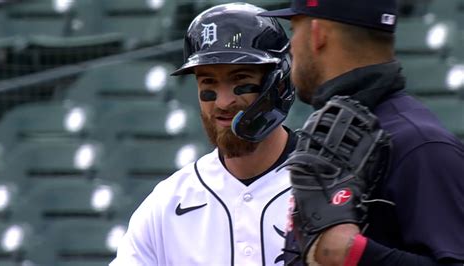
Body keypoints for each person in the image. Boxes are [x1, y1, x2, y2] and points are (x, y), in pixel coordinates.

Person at [260, 0, 464, 265]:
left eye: (293, 30)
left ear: (317, 34)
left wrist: (352, 252)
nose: (291, 46)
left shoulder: (421, 145)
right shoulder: (326, 135)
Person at [110, 2, 298, 265]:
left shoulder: (327, 185)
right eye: (208, 82)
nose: (222, 102)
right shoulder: (167, 205)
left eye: (240, 81)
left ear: (277, 84)